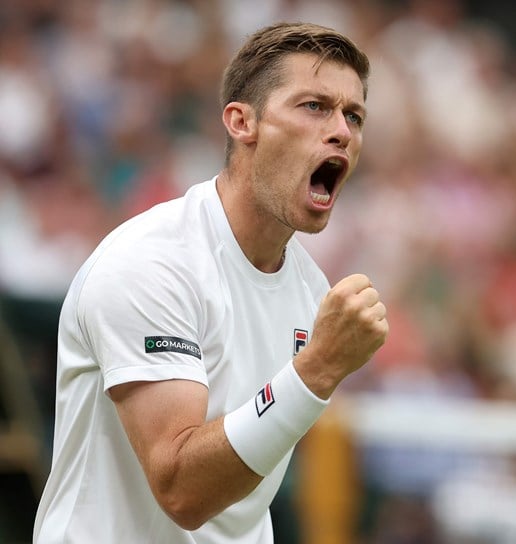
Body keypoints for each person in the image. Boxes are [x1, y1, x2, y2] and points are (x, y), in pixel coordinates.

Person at [33, 21, 388, 543]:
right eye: (314, 106)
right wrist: (316, 370)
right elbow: (182, 491)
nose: (342, 130)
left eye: (353, 115)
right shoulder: (150, 264)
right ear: (242, 122)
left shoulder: (314, 292)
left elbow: (245, 489)